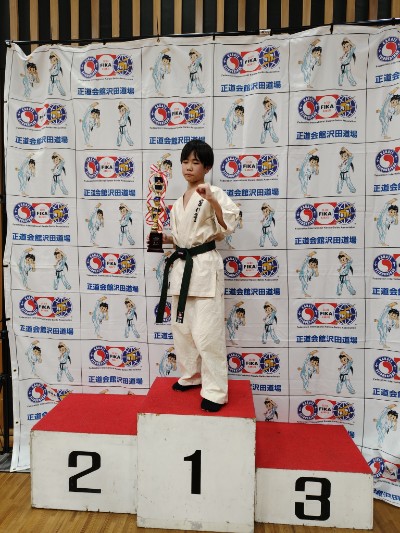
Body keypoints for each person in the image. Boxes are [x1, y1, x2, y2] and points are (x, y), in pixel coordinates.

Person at [155, 140, 240, 412]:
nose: (189, 167)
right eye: (185, 162)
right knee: (184, 330)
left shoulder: (213, 193)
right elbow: (185, 237)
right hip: (182, 267)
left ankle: (215, 391)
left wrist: (212, 199)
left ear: (207, 167)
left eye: (195, 162)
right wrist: (166, 239)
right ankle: (191, 375)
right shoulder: (178, 202)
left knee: (207, 333)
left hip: (203, 267)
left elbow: (230, 222)